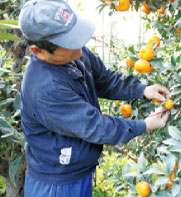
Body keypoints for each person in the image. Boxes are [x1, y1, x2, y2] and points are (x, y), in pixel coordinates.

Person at [18, 0, 170, 196]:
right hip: (56, 185)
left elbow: (104, 80)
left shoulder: (72, 53)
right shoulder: (45, 88)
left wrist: (142, 90)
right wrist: (144, 125)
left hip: (79, 172)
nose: (80, 46)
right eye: (69, 42)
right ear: (38, 51)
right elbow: (95, 126)